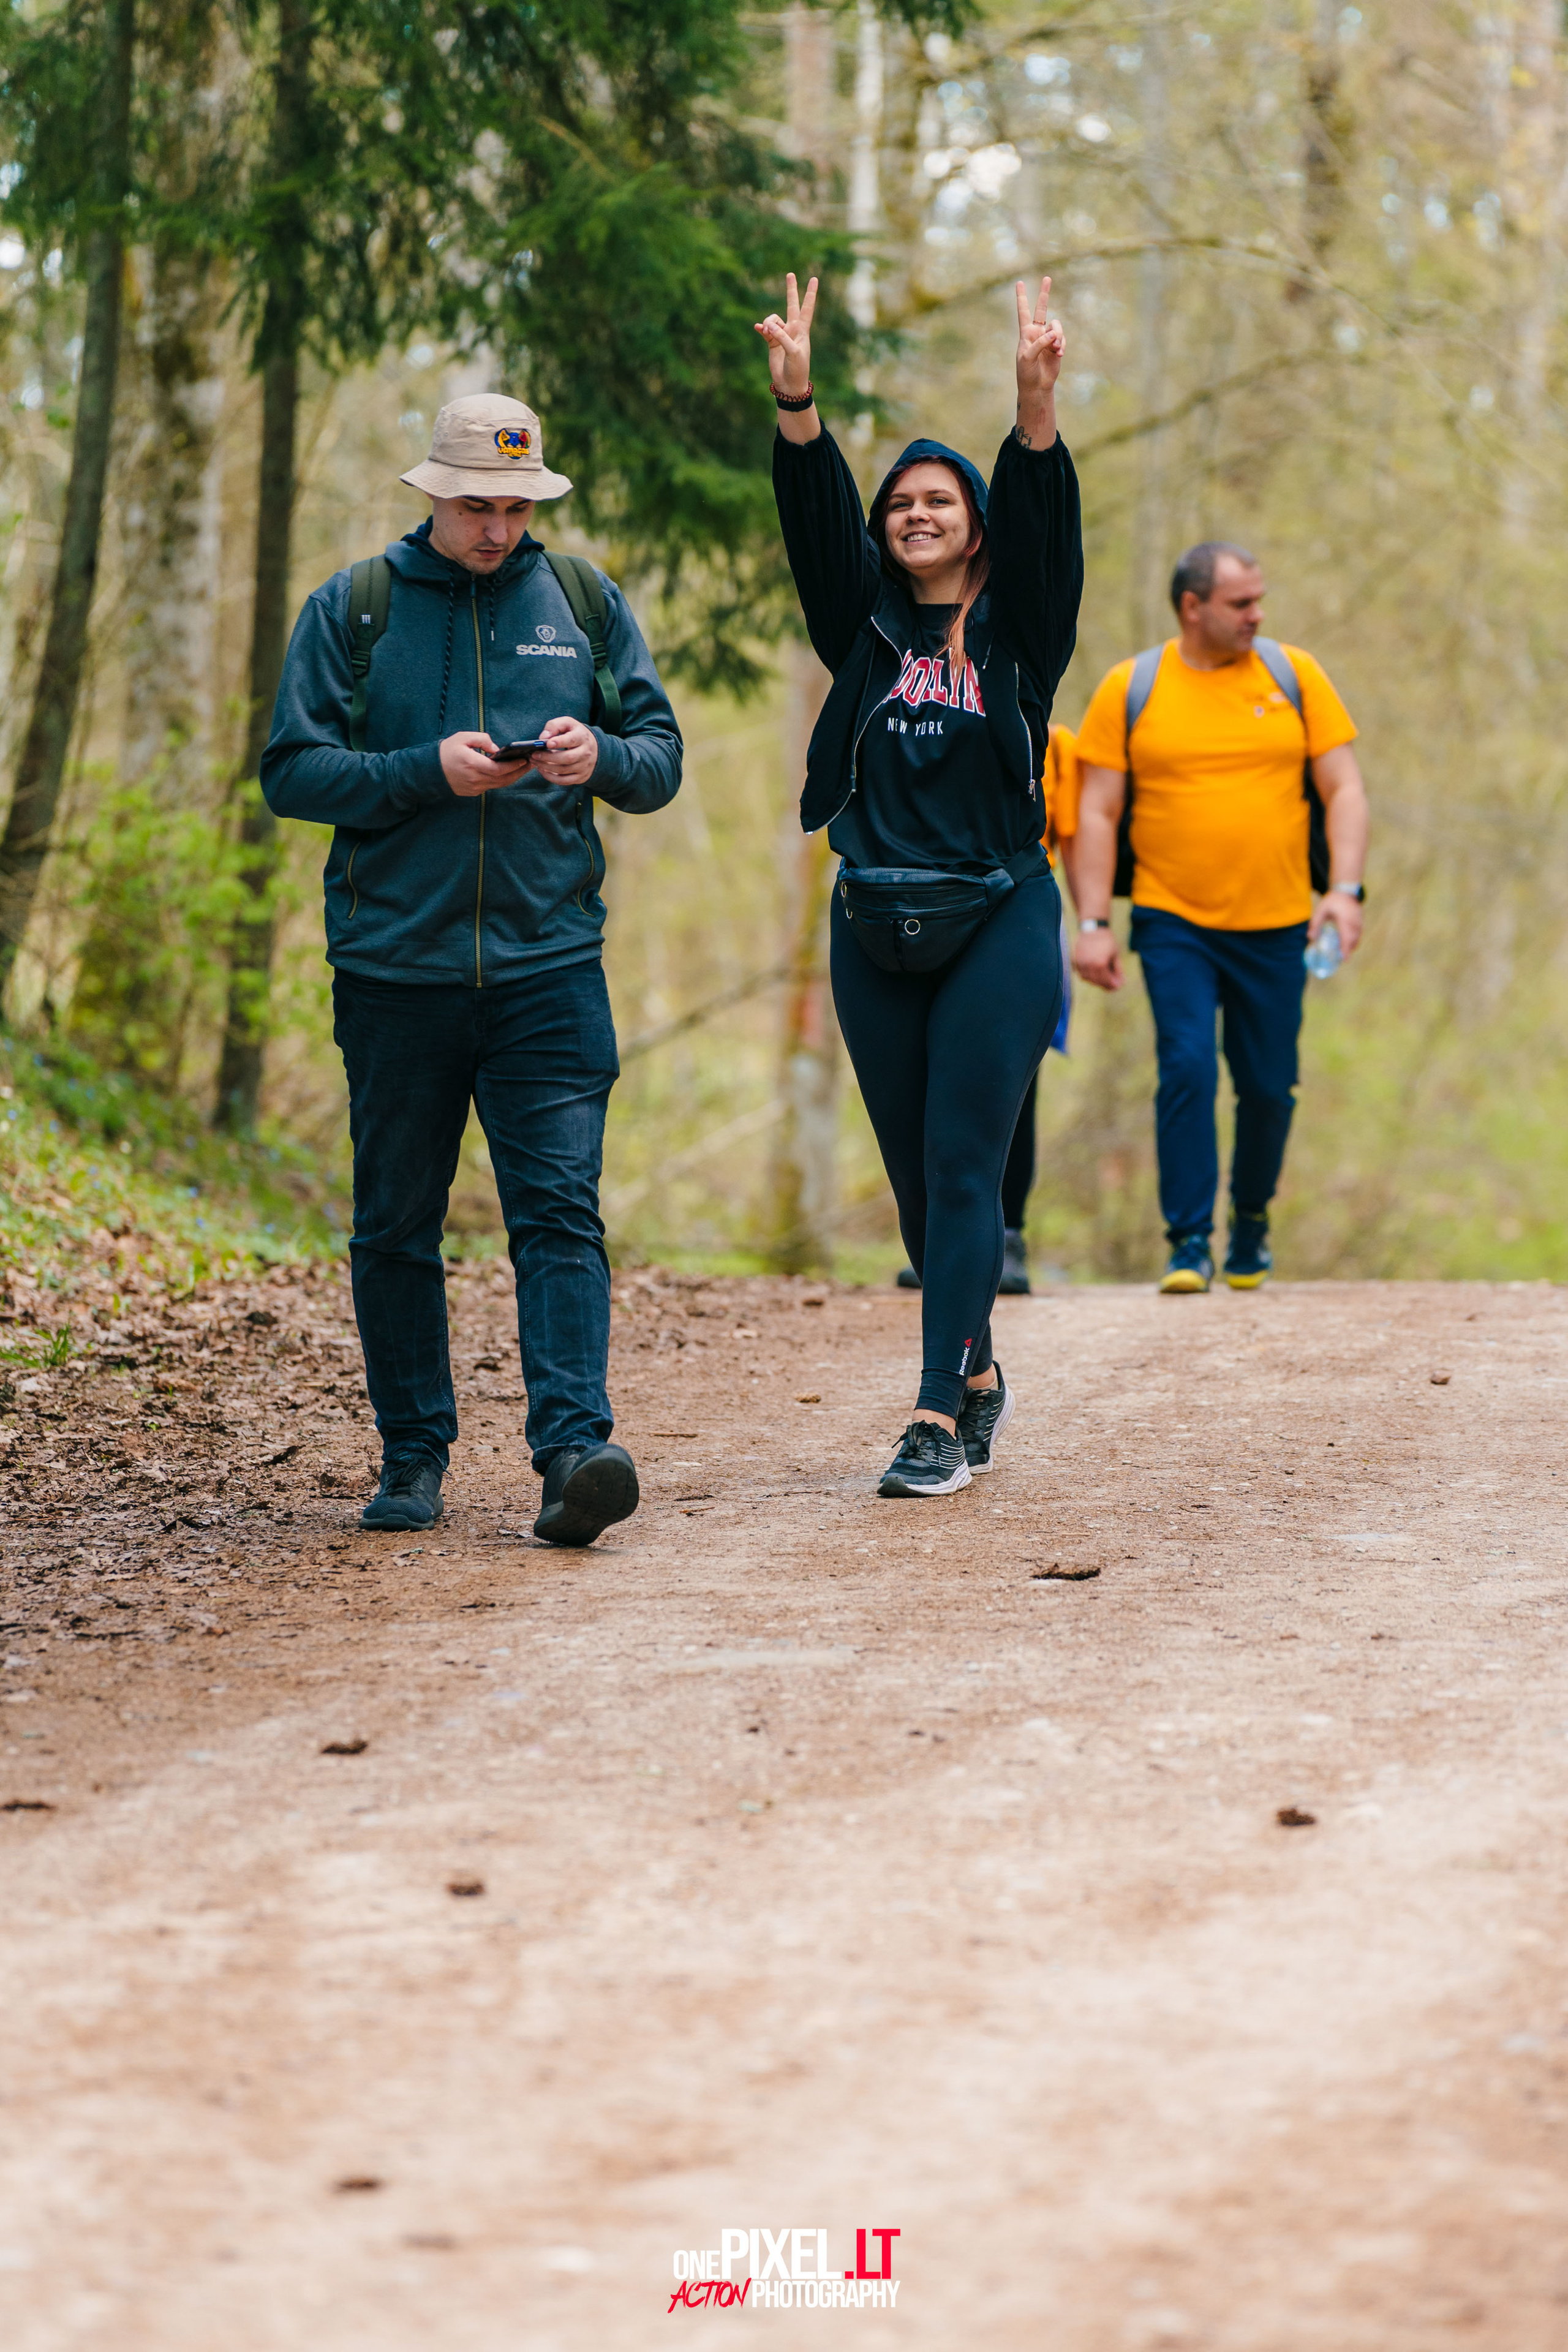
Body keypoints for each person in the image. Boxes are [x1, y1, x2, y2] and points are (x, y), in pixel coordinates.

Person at [260, 393, 683, 1539]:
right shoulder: (354, 609)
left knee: (559, 1212)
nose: (497, 529)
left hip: (552, 967)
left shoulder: (584, 602)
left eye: (515, 506)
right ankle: (413, 1458)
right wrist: (420, 773)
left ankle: (572, 1459)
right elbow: (293, 773)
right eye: (476, 507)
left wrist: (600, 756)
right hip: (397, 970)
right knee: (397, 1222)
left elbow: (660, 759)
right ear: (431, 497)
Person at [761, 272, 1082, 1496]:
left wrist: (1031, 405)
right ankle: (981, 1368)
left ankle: (933, 1417)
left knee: (962, 1169)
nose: (914, 514)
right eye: (899, 502)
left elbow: (1047, 521)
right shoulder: (859, 625)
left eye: (940, 499)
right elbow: (811, 518)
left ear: (977, 523)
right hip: (871, 918)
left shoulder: (1023, 629)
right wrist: (798, 405)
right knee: (912, 1176)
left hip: (997, 911)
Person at [1069, 541, 1368, 1292]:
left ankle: (1253, 1221)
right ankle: (1188, 1242)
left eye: (1259, 599)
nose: (1257, 615)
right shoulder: (1132, 687)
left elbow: (1344, 791)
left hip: (1276, 924)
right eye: (1241, 603)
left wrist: (1346, 891)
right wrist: (1094, 922)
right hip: (1174, 922)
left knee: (1268, 1086)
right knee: (1187, 1068)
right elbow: (1096, 811)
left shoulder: (1292, 675)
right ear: (1191, 606)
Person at [895, 717, 1078, 1298]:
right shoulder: (908, 722)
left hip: (1019, 916)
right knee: (926, 1082)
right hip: (923, 913)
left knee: (1012, 1085)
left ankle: (1012, 1234)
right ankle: (940, 1239)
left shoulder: (1053, 739)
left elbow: (1074, 838)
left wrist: (1087, 925)